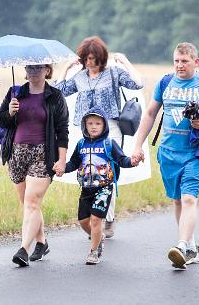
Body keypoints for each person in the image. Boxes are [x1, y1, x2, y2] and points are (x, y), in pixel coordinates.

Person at [131, 42, 199, 269]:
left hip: (195, 152)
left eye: (184, 61)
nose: (179, 65)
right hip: (168, 153)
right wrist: (138, 146)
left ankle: (182, 245)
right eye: (176, 60)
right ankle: (191, 247)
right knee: (177, 200)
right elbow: (149, 114)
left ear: (196, 62)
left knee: (188, 199)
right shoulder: (165, 82)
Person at [55, 36, 143, 238]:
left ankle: (107, 218)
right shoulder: (79, 76)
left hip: (111, 126)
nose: (89, 62)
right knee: (90, 170)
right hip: (86, 129)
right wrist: (67, 67)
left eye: (93, 58)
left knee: (109, 170)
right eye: (86, 58)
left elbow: (138, 84)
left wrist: (125, 62)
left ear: (101, 58)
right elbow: (58, 91)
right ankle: (95, 218)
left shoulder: (113, 73)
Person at [0, 64, 69, 267]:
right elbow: (0, 120)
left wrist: (61, 159)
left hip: (43, 155)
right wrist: (9, 112)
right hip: (17, 153)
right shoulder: (15, 92)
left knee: (32, 203)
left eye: (39, 67)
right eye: (30, 67)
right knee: (28, 204)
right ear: (25, 71)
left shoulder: (55, 96)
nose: (34, 71)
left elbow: (62, 130)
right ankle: (42, 243)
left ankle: (23, 249)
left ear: (47, 70)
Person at [62, 106, 137, 264]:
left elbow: (122, 160)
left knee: (96, 219)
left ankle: (94, 251)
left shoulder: (109, 143)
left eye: (97, 123)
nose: (94, 126)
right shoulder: (81, 144)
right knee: (83, 221)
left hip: (104, 188)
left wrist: (132, 161)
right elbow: (74, 162)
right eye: (90, 123)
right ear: (85, 125)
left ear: (104, 125)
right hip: (86, 189)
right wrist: (62, 168)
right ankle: (99, 237)